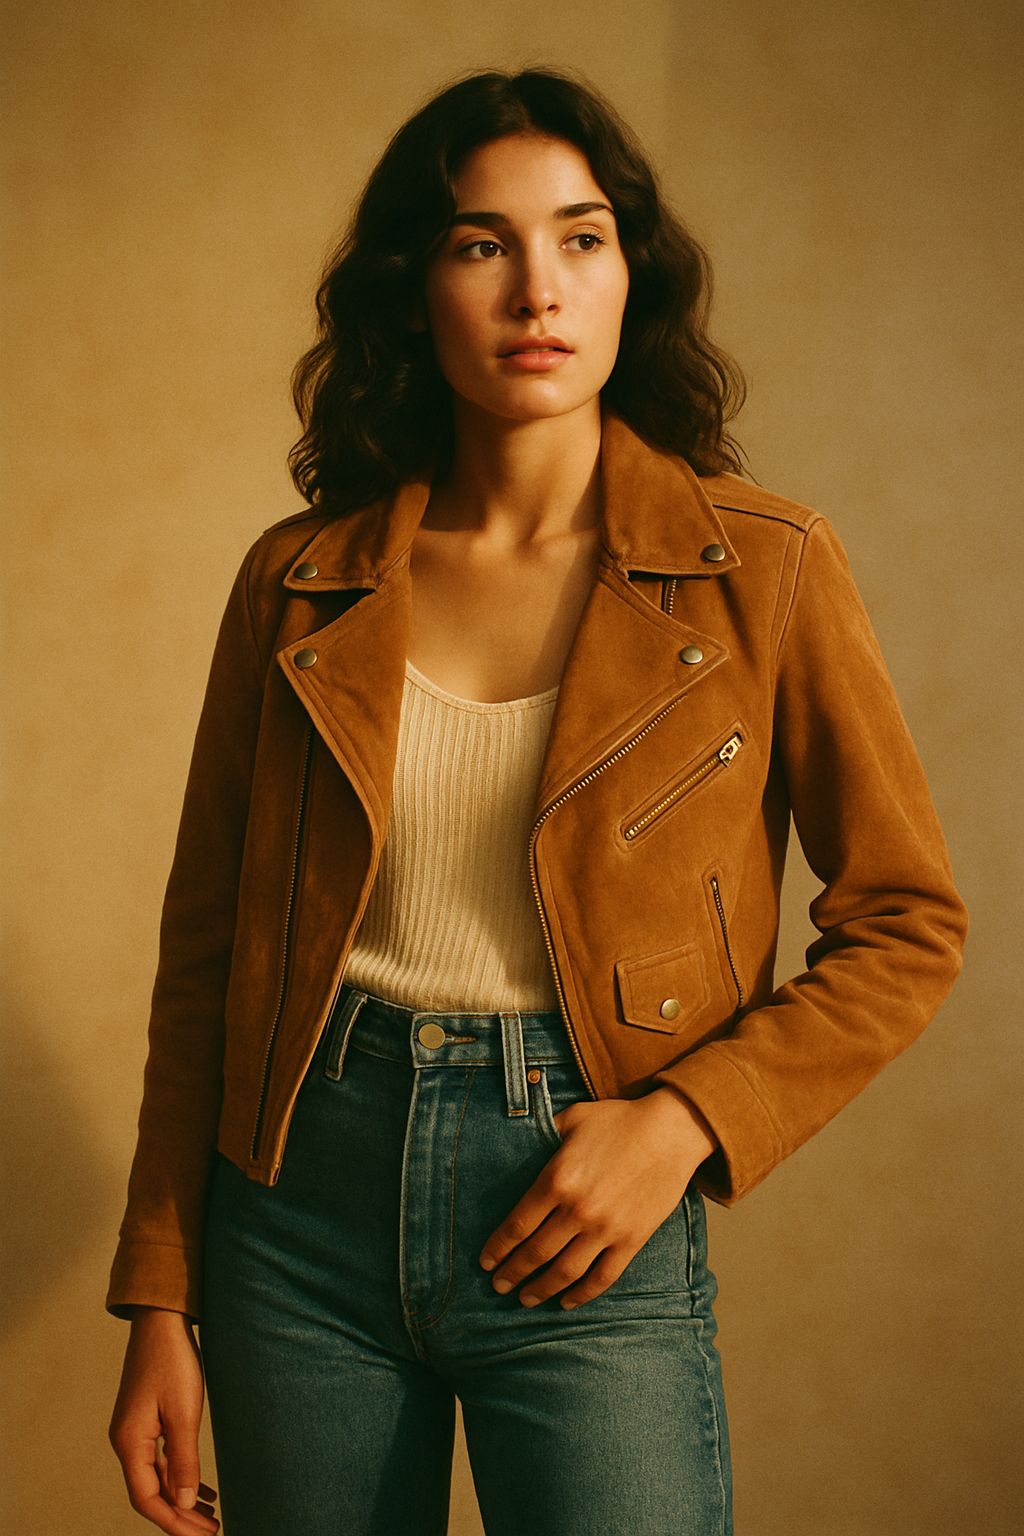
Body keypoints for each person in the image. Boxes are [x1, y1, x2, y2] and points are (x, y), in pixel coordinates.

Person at [107, 68, 967, 1536]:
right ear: (414, 288)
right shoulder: (298, 580)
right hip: (294, 1215)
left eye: (580, 238)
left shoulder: (765, 570)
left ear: (633, 276)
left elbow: (908, 921)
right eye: (479, 244)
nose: (536, 291)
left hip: (586, 1202)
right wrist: (160, 1294)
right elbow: (208, 955)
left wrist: (685, 1120)